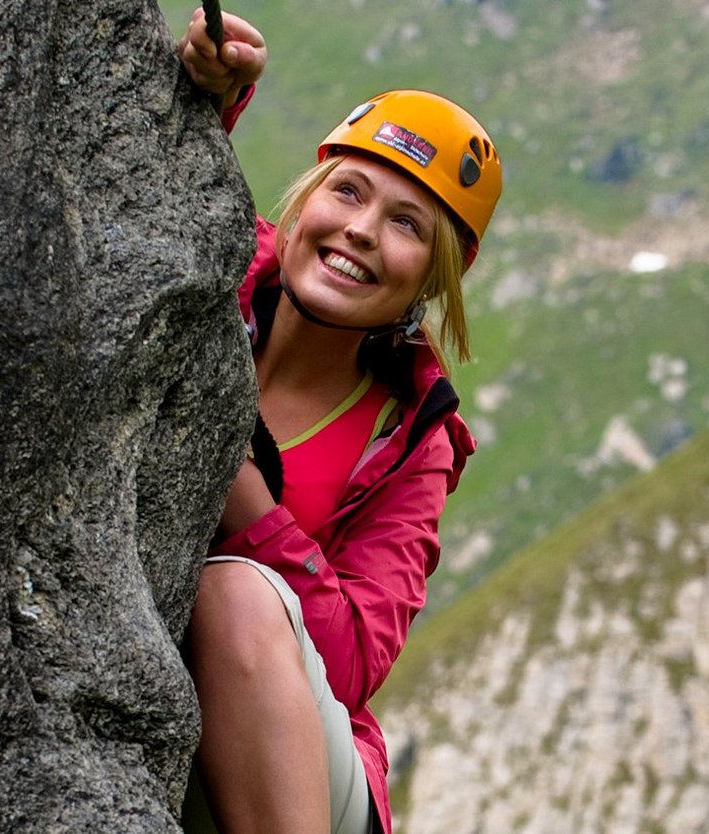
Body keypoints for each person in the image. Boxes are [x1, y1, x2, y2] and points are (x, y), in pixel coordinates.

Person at [174, 7, 502, 834]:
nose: (359, 230)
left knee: (236, 597)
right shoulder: (216, 272)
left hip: (307, 777)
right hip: (172, 727)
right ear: (307, 197)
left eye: (406, 225)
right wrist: (213, 92)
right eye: (348, 190)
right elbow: (156, 203)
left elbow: (353, 663)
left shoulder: (411, 442)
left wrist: (249, 507)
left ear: (434, 278)